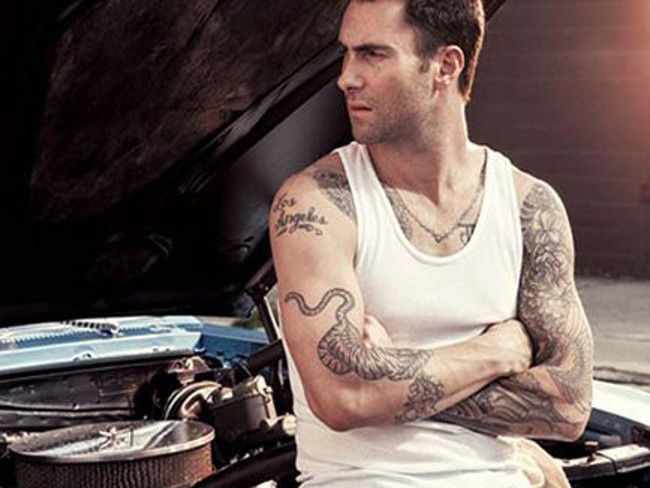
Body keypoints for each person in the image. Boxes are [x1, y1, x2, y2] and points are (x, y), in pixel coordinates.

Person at [269, 0, 593, 486]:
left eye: (373, 54)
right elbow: (342, 397)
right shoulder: (317, 204)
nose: (346, 78)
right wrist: (495, 353)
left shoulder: (529, 208)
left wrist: (390, 379)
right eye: (347, 53)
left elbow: (568, 407)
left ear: (445, 65)